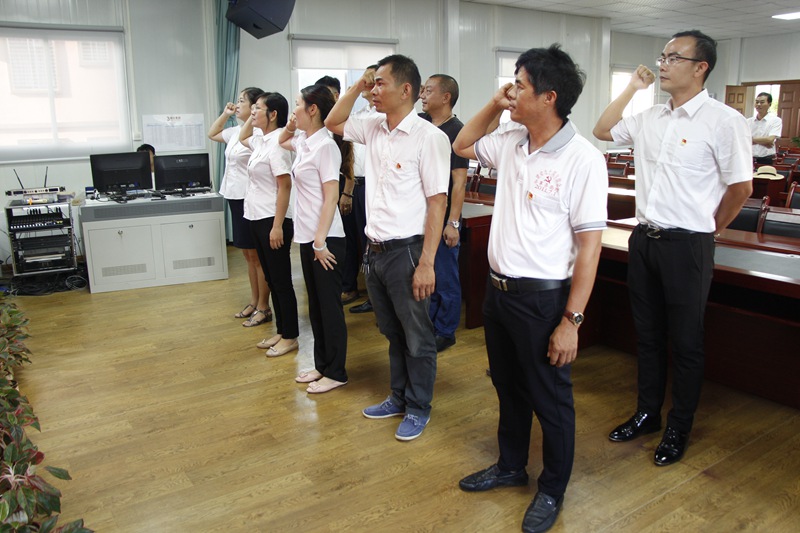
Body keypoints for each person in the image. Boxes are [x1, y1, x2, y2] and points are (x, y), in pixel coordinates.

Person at [453, 45, 607, 533]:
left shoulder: (584, 160)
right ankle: (510, 466)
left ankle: (552, 488)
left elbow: (589, 248)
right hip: (498, 293)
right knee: (508, 387)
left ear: (549, 97)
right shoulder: (511, 140)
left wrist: (571, 321)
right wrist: (495, 103)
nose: (511, 92)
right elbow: (462, 144)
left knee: (550, 398)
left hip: (543, 300)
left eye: (519, 85)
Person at [593, 30, 752, 467]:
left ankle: (679, 425)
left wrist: (709, 230)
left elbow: (741, 188)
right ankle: (648, 413)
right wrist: (632, 87)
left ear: (700, 68)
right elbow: (602, 129)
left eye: (673, 58)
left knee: (685, 341)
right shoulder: (650, 117)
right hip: (645, 239)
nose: (663, 64)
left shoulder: (723, 121)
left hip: (688, 245)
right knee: (647, 335)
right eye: (662, 56)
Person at [326, 54, 450, 441]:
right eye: (373, 83)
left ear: (406, 90)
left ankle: (418, 406)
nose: (374, 90)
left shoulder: (429, 137)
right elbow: (332, 122)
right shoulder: (374, 127)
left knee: (417, 336)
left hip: (408, 252)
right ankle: (398, 396)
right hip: (375, 250)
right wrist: (357, 86)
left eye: (381, 83)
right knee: (392, 331)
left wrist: (427, 263)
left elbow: (437, 203)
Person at [279, 84, 350, 394]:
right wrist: (292, 124)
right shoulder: (305, 142)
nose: (293, 110)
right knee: (316, 307)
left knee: (329, 308)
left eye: (297, 105)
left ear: (313, 109)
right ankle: (322, 365)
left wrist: (320, 241)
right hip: (308, 237)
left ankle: (336, 372)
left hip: (326, 239)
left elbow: (331, 194)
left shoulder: (326, 147)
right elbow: (282, 140)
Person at [239, 92, 300, 358]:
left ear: (273, 114)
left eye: (258, 108)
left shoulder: (278, 143)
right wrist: (251, 117)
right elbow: (242, 136)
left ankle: (291, 336)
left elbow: (284, 186)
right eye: (251, 107)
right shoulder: (261, 140)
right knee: (272, 280)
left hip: (272, 220)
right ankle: (282, 330)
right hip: (256, 217)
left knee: (281, 281)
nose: (252, 112)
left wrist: (277, 226)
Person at [208, 87, 272, 327]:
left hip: (249, 198)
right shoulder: (235, 131)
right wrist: (226, 114)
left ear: (254, 107)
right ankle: (254, 301)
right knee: (247, 255)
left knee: (257, 257)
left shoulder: (257, 134)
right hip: (234, 196)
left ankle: (264, 306)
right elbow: (212, 133)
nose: (237, 105)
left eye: (241, 101)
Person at [419, 74, 469, 352]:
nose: (423, 95)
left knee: (445, 276)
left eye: (428, 91)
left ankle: (446, 330)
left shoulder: (456, 131)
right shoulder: (421, 123)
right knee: (428, 273)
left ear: (446, 97)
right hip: (421, 215)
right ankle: (429, 324)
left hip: (442, 217)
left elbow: (459, 182)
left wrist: (453, 223)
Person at [348, 65, 380, 315]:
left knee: (375, 242)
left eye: (370, 78)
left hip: (375, 185)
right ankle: (372, 294)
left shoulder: (381, 115)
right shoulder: (361, 114)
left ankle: (378, 297)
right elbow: (334, 120)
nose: (365, 83)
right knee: (363, 242)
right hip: (359, 185)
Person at [748, 92, 782, 165]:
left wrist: (751, 139)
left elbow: (770, 140)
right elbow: (743, 139)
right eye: (757, 102)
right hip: (749, 158)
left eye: (762, 102)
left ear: (769, 104)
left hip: (767, 159)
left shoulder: (775, 120)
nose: (758, 104)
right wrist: (764, 142)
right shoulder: (748, 121)